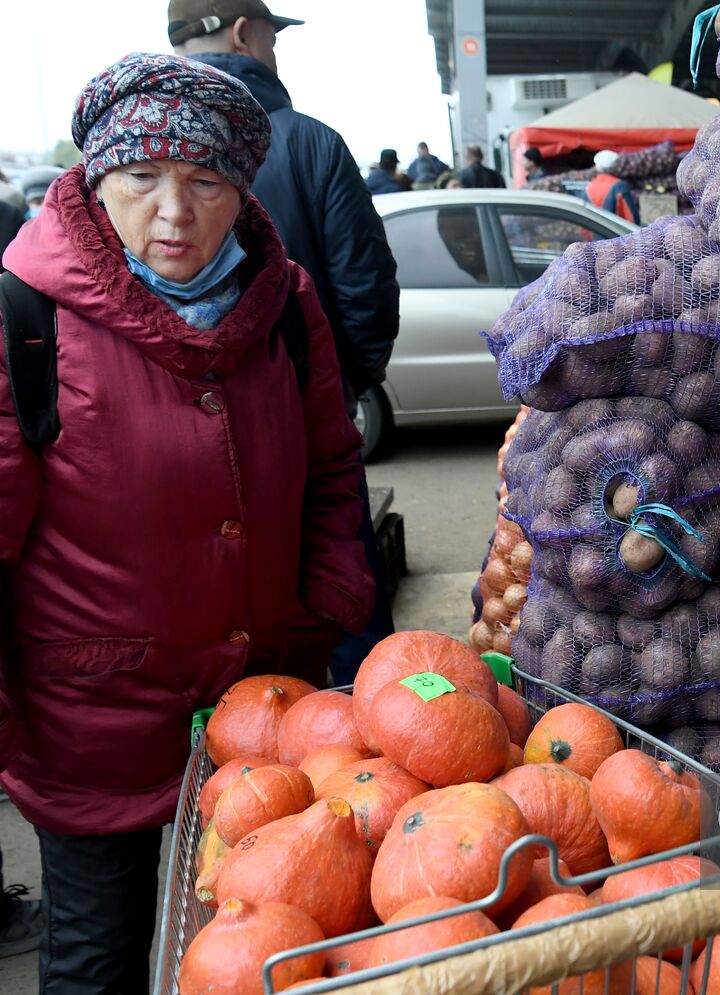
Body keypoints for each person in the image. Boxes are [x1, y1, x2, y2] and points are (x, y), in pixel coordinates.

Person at [0, 53, 373, 992]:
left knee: (264, 951)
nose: (175, 214)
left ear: (240, 190)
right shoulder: (25, 314)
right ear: (94, 179)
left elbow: (332, 469)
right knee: (99, 960)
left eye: (205, 182)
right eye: (141, 180)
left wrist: (327, 604)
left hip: (263, 708)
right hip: (93, 722)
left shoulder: (282, 302)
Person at [171, 0, 400, 682]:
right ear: (244, 32)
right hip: (308, 424)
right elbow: (366, 289)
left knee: (226, 649)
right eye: (274, 34)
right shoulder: (309, 142)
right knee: (347, 621)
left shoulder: (140, 161)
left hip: (178, 447)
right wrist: (338, 388)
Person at [586, 150, 639, 224]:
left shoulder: (588, 187)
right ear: (615, 166)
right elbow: (631, 216)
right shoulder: (619, 186)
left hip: (594, 233)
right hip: (615, 232)